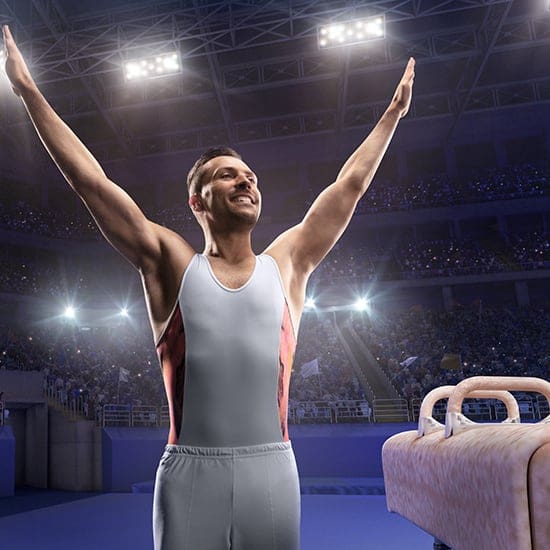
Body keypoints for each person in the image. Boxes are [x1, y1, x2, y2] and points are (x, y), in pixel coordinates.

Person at [2, 24, 414, 550]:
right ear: (197, 202)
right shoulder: (172, 264)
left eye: (251, 176)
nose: (247, 181)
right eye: (227, 175)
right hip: (190, 474)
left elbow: (349, 185)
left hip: (273, 471)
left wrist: (393, 114)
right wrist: (28, 91)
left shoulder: (287, 264)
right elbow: (92, 182)